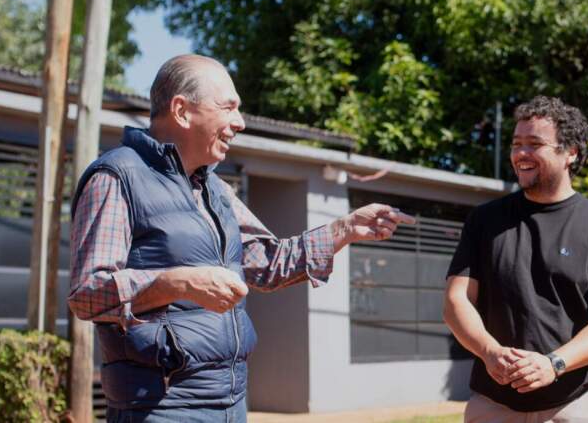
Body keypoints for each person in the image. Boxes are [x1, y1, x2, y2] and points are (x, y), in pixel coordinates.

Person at [67, 54, 415, 423]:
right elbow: (88, 293)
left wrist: (343, 229)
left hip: (230, 405)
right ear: (182, 111)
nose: (240, 122)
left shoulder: (215, 190)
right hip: (160, 409)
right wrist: (176, 283)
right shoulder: (117, 177)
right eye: (228, 107)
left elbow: (266, 264)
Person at [444, 96, 588, 423]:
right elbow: (455, 300)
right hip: (494, 403)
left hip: (575, 403)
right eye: (516, 144)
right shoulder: (484, 222)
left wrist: (553, 364)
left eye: (534, 144)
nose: (520, 154)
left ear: (570, 152)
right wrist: (490, 352)